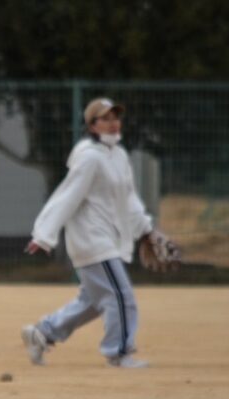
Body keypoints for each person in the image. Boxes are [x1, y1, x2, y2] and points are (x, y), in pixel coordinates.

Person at [20, 98, 153, 369]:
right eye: (105, 118)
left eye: (116, 116)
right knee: (120, 296)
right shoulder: (90, 157)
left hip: (108, 240)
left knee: (93, 301)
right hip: (92, 241)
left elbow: (129, 199)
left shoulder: (118, 155)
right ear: (92, 126)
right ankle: (119, 353)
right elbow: (67, 195)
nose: (113, 122)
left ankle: (42, 333)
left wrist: (147, 230)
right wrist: (44, 234)